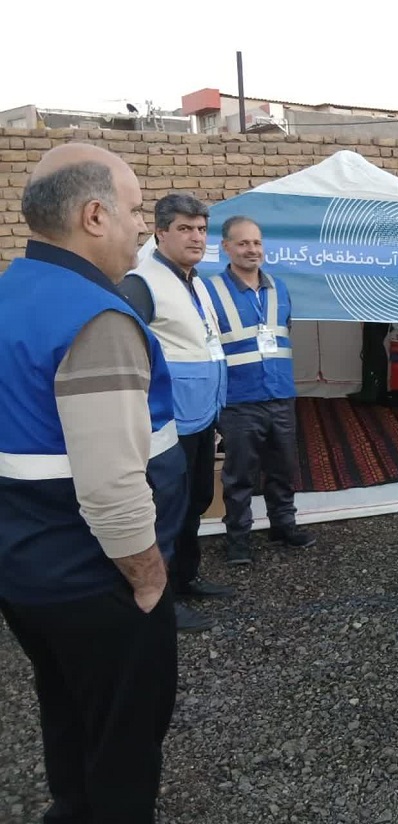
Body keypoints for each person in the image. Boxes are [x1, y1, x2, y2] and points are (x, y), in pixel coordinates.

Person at [0, 143, 187, 823]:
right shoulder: (95, 316)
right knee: (122, 741)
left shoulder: (13, 291)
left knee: (68, 707)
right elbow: (111, 483)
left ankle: (71, 808)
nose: (142, 226)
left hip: (28, 566)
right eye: (136, 210)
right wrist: (148, 576)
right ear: (94, 216)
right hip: (94, 576)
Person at [118, 194, 233, 633]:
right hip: (167, 422)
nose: (196, 237)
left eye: (201, 229)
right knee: (166, 509)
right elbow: (125, 351)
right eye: (185, 229)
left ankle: (186, 577)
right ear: (160, 233)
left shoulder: (195, 280)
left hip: (200, 414)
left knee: (197, 499)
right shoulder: (141, 284)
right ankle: (157, 599)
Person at [204, 216, 315, 565]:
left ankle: (283, 526)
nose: (251, 249)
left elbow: (284, 333)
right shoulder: (210, 290)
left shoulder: (278, 288)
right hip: (239, 400)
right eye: (243, 243)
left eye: (256, 243)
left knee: (283, 468)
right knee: (239, 475)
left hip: (280, 395)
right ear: (226, 247)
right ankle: (238, 540)